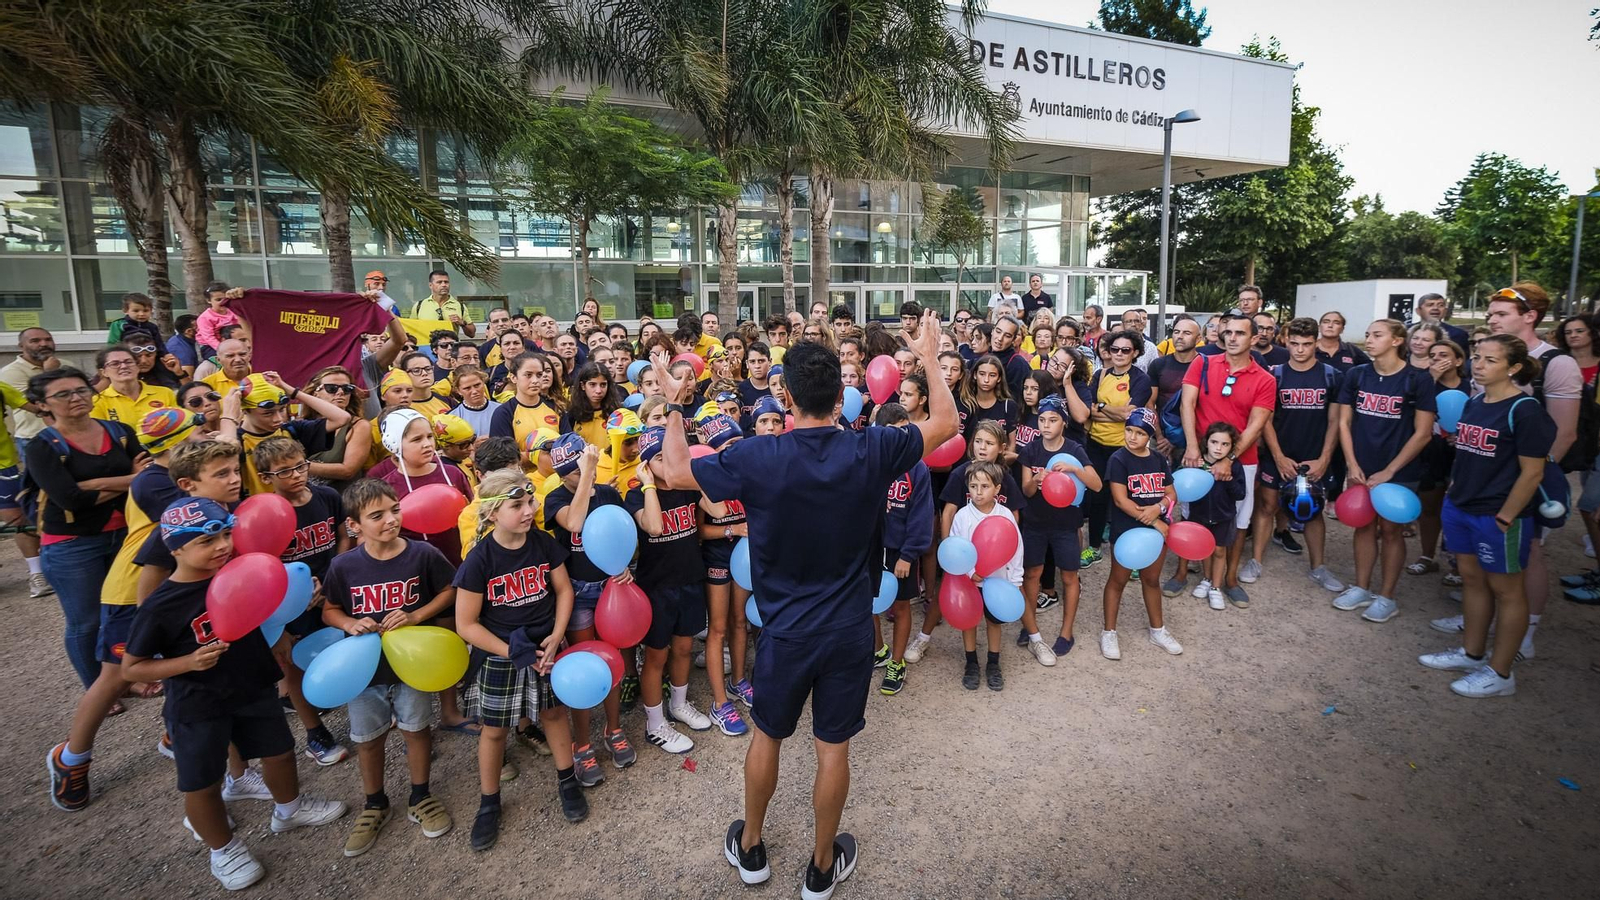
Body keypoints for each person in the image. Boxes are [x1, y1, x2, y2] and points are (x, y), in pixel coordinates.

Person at [647, 312, 954, 897]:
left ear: (783, 394)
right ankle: (819, 868)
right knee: (832, 748)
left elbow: (678, 470)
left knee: (768, 737)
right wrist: (931, 355)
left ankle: (754, 847)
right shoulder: (872, 447)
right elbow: (944, 420)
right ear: (843, 396)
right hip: (847, 630)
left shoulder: (760, 456)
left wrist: (675, 405)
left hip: (784, 630)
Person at [114, 497, 347, 888]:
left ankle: (289, 809)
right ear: (176, 550)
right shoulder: (160, 606)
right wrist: (186, 663)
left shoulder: (239, 573)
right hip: (197, 704)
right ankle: (223, 849)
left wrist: (281, 635)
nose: (222, 546)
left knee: (280, 752)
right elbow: (131, 667)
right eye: (207, 542)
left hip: (253, 684)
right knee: (202, 782)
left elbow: (259, 616)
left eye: (225, 535)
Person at [319, 478, 457, 856]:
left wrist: (416, 616)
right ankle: (374, 803)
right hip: (364, 674)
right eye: (376, 515)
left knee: (416, 729)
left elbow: (449, 589)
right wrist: (349, 624)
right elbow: (329, 608)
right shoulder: (343, 566)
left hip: (411, 665)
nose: (390, 520)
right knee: (368, 739)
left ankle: (420, 795)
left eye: (395, 510)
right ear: (354, 525)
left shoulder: (423, 554)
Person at [454, 469, 587, 851]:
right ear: (493, 513)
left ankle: (567, 780)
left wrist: (559, 634)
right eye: (518, 505)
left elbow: (563, 591)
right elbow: (466, 623)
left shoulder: (543, 544)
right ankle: (489, 802)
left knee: (553, 715)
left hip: (546, 645)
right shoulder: (480, 559)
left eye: (530, 502)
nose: (529, 510)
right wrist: (512, 651)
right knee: (494, 730)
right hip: (503, 654)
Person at [1419, 335, 1553, 697]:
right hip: (1460, 505)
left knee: (1508, 591)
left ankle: (1501, 672)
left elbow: (1532, 473)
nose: (1479, 364)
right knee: (1472, 580)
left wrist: (1507, 516)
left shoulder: (1525, 410)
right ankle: (1473, 652)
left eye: (1490, 360)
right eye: (1477, 357)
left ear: (1513, 368)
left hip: (1497, 515)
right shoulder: (1475, 401)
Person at [26, 367, 149, 689]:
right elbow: (70, 500)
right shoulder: (43, 446)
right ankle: (97, 687)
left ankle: (127, 676)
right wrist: (128, 480)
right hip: (72, 544)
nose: (76, 398)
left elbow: (147, 478)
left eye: (81, 390)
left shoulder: (119, 430)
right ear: (42, 404)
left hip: (125, 536)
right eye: (63, 394)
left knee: (127, 610)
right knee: (87, 621)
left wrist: (94, 484)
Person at [1331, 319, 1438, 623]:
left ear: (1397, 341)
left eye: (1377, 335)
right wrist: (1351, 464)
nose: (1369, 340)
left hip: (1399, 469)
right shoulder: (1356, 375)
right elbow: (1343, 423)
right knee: (1363, 525)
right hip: (1361, 466)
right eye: (1367, 334)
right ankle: (1361, 587)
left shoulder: (1418, 379)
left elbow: (1423, 433)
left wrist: (1391, 471)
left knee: (1391, 530)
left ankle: (1387, 596)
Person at [543, 435, 638, 776]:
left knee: (611, 664)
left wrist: (623, 562)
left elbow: (622, 534)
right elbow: (575, 523)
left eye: (583, 466)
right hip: (579, 593)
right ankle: (581, 743)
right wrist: (586, 474)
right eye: (571, 471)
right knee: (583, 666)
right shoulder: (554, 499)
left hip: (612, 589)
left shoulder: (610, 494)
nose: (582, 473)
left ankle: (613, 730)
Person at [622, 426, 712, 753]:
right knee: (657, 656)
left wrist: (696, 476)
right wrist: (648, 484)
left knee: (684, 649)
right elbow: (655, 526)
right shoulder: (636, 494)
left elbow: (717, 511)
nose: (669, 462)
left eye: (672, 455)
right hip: (657, 587)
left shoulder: (687, 488)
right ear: (646, 464)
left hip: (689, 579)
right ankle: (655, 724)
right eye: (660, 458)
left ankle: (679, 704)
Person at [1179, 312, 1274, 609]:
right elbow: (1187, 403)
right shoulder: (1202, 362)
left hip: (1242, 460)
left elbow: (1257, 424)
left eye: (1240, 333)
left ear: (1254, 338)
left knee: (1238, 520)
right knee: (1189, 512)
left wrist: (1229, 459)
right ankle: (1182, 572)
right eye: (1228, 332)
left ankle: (1230, 579)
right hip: (1199, 454)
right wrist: (1193, 447)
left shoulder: (1265, 379)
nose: (1232, 338)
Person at [1253, 318, 1346, 594]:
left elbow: (1335, 422)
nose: (1300, 350)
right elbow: (1265, 420)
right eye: (1294, 343)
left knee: (1314, 510)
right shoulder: (1274, 374)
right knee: (1267, 506)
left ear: (1316, 342)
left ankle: (1318, 567)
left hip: (1314, 455)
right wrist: (1279, 456)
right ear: (1286, 341)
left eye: (1307, 344)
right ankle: (1256, 561)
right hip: (1279, 453)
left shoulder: (1331, 376)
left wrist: (1325, 458)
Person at [1019, 395, 1099, 657]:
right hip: (1035, 523)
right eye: (1042, 420)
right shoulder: (1031, 449)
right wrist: (1037, 480)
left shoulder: (1075, 450)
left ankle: (1067, 632)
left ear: (1063, 423)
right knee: (1032, 574)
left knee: (1069, 576)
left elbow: (1097, 485)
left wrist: (1075, 471)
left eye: (1052, 420)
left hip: (1066, 525)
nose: (1046, 425)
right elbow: (1026, 491)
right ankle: (1029, 627)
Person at [1100, 408, 1181, 659]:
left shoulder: (1158, 460)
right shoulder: (1118, 459)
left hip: (1156, 530)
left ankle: (1158, 630)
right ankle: (1109, 632)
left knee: (1151, 579)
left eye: (1139, 433)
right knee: (1118, 579)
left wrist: (1159, 508)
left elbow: (1172, 493)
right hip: (1128, 530)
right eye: (1129, 430)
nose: (1132, 437)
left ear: (1150, 436)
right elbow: (1120, 499)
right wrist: (1154, 521)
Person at [872, 403, 932, 695]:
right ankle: (878, 649)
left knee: (901, 606)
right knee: (869, 603)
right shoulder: (870, 462)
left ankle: (897, 661)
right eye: (894, 433)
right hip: (872, 548)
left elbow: (921, 516)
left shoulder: (917, 468)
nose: (901, 439)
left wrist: (909, 554)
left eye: (905, 432)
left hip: (901, 553)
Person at [948, 461, 1023, 691]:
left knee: (993, 622)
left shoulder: (1006, 516)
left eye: (984, 486)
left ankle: (993, 663)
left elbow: (1016, 548)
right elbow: (955, 547)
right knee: (969, 621)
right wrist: (970, 573)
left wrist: (1016, 580)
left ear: (997, 489)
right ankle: (971, 663)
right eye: (973, 486)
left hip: (998, 583)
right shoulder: (962, 516)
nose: (978, 492)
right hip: (969, 582)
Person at [1084, 331, 1153, 564]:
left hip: (1125, 448)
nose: (1120, 354)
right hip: (1096, 444)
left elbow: (1130, 414)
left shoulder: (1140, 379)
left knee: (1129, 501)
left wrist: (1102, 408)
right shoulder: (1100, 374)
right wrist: (1114, 411)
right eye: (1115, 349)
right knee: (1097, 498)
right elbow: (1088, 411)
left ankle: (1134, 555)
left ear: (1135, 353)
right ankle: (1093, 547)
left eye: (1125, 350)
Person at [1409, 339, 1468, 579]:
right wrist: (1430, 378)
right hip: (1431, 452)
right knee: (1429, 507)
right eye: (1432, 356)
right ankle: (1427, 556)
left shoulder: (1470, 387)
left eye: (1443, 355)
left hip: (1462, 456)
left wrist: (1464, 435)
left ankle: (1457, 564)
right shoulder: (1423, 383)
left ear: (1459, 360)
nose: (1437, 360)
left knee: (1457, 509)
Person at [489, 352, 563, 449]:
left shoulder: (555, 407)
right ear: (513, 377)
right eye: (528, 375)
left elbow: (567, 444)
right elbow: (502, 455)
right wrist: (538, 455)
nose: (535, 380)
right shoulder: (504, 413)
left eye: (539, 374)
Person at [411, 269, 476, 337]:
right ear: (430, 285)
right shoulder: (419, 306)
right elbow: (411, 330)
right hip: (426, 346)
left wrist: (462, 323)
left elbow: (472, 334)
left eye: (446, 282)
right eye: (439, 282)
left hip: (450, 346)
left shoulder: (460, 306)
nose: (444, 285)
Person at [195, 288, 242, 356]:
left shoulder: (233, 312)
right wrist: (222, 349)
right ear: (209, 300)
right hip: (210, 346)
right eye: (218, 300)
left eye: (225, 299)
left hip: (231, 342)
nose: (223, 302)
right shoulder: (205, 317)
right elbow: (209, 337)